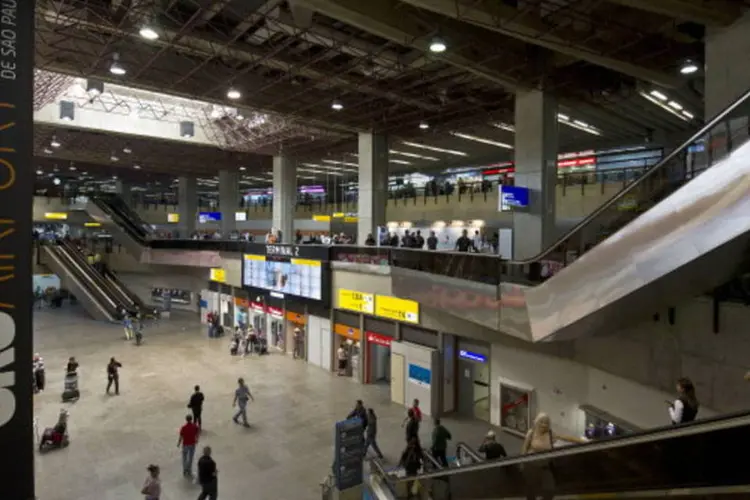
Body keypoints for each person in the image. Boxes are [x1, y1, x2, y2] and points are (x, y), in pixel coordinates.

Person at [521, 413, 584, 500]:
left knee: (549, 490)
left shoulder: (550, 434)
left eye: (546, 423)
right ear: (536, 422)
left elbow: (566, 438)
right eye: (541, 422)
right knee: (531, 491)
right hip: (532, 467)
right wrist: (522, 465)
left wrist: (583, 442)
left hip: (545, 467)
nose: (544, 425)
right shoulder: (531, 433)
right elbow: (524, 449)